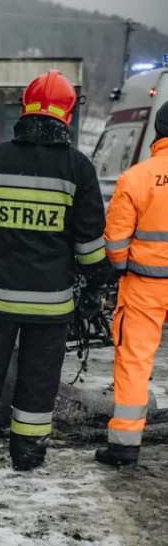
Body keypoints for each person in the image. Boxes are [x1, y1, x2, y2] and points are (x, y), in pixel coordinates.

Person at [0, 70, 108, 471]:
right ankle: (28, 452)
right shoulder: (78, 168)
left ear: (25, 109)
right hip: (51, 305)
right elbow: (89, 243)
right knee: (39, 376)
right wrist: (94, 285)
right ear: (67, 114)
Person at [97, 101, 168, 467]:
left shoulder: (137, 177)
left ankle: (124, 446)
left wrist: (124, 267)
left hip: (144, 286)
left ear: (159, 131)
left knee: (135, 363)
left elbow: (115, 243)